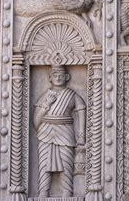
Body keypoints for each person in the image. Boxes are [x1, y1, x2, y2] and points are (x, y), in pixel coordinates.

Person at [34, 66, 86, 198]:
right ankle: (43, 193)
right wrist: (47, 105)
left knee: (66, 164)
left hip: (65, 132)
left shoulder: (72, 95)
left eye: (61, 75)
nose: (58, 77)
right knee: (45, 164)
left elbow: (81, 113)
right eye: (55, 75)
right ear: (49, 78)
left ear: (67, 77)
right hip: (45, 132)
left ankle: (67, 194)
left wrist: (81, 137)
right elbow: (36, 123)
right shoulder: (44, 96)